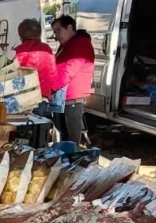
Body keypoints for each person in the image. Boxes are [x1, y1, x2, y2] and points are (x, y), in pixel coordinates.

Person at [51, 14, 95, 145]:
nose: (56, 35)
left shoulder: (80, 43)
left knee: (71, 136)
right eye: (54, 32)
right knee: (63, 133)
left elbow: (70, 71)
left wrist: (52, 87)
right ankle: (66, 158)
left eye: (58, 30)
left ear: (70, 27)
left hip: (73, 95)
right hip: (62, 96)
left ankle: (71, 159)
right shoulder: (66, 44)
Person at [12, 18, 56, 100]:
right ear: (39, 34)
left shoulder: (17, 52)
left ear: (20, 36)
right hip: (43, 95)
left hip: (22, 96)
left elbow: (11, 76)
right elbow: (53, 74)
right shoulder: (46, 49)